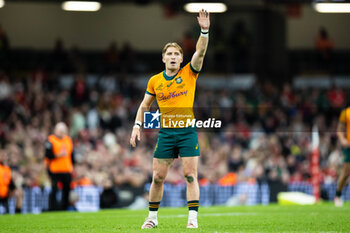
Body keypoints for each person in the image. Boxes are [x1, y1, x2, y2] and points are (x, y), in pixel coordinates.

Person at [130, 9, 210, 229]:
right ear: (163, 58)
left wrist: (204, 31)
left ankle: (192, 219)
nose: (173, 57)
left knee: (190, 175)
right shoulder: (155, 81)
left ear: (182, 58)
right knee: (157, 177)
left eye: (177, 54)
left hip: (186, 132)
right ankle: (152, 218)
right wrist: (137, 126)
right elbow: (145, 105)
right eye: (170, 54)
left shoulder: (189, 72)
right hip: (166, 133)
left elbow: (200, 53)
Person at [45, 122, 75, 211]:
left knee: (66, 190)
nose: (62, 132)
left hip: (66, 169)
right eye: (60, 130)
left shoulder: (68, 140)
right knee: (54, 190)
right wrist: (59, 155)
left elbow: (71, 155)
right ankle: (52, 208)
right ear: (56, 130)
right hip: (55, 170)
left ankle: (64, 208)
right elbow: (48, 155)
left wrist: (73, 165)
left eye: (64, 130)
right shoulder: (51, 140)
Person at [335, 107, 350, 207]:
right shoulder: (346, 113)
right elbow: (339, 130)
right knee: (346, 173)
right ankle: (338, 195)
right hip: (349, 146)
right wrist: (342, 140)